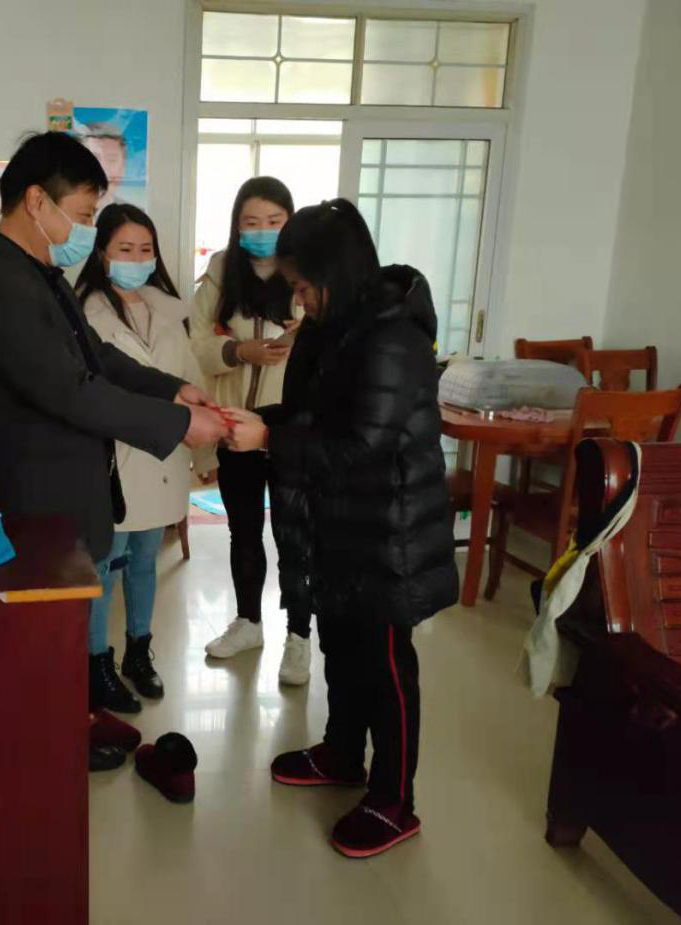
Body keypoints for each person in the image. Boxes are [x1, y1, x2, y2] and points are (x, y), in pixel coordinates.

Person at [0, 133, 228, 768]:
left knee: (59, 637)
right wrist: (179, 424)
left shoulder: (37, 274)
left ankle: (68, 722)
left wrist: (172, 388)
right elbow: (72, 392)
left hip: (63, 499)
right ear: (35, 201)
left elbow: (95, 358)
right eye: (82, 214)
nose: (86, 229)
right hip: (32, 502)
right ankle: (47, 747)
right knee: (36, 644)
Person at [224, 199, 459, 858]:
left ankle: (395, 800)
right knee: (341, 645)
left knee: (385, 664)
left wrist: (269, 438)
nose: (297, 299)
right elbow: (312, 414)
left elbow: (364, 444)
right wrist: (254, 419)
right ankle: (343, 752)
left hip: (388, 530)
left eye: (303, 285)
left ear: (336, 271)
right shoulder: (333, 326)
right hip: (339, 521)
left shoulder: (393, 337)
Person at [76, 204, 206, 713]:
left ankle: (138, 652)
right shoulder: (86, 312)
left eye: (145, 249)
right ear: (101, 254)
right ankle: (97, 663)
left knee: (146, 561)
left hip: (165, 455)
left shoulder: (169, 309)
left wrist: (205, 450)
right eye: (124, 249)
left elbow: (191, 378)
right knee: (105, 565)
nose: (136, 259)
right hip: (114, 460)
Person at [189, 177, 310, 684]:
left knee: (293, 534)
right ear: (237, 226)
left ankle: (299, 636)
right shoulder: (222, 271)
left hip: (291, 427)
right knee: (243, 528)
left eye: (274, 221)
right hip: (236, 423)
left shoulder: (307, 270)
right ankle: (248, 623)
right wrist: (239, 351)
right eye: (251, 222)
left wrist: (300, 340)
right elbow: (196, 341)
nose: (263, 231)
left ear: (290, 222)